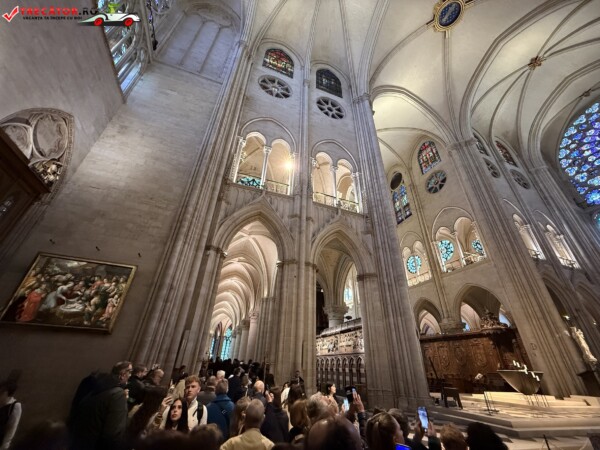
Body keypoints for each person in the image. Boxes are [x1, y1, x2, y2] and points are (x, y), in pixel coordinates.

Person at [68, 361, 131, 450]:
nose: (130, 375)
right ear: (122, 374)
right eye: (130, 372)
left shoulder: (98, 385)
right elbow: (113, 434)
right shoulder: (118, 395)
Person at [0, 380, 21, 450]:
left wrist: (4, 446)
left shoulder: (14, 406)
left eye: (2, 393)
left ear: (8, 394)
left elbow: (12, 428)